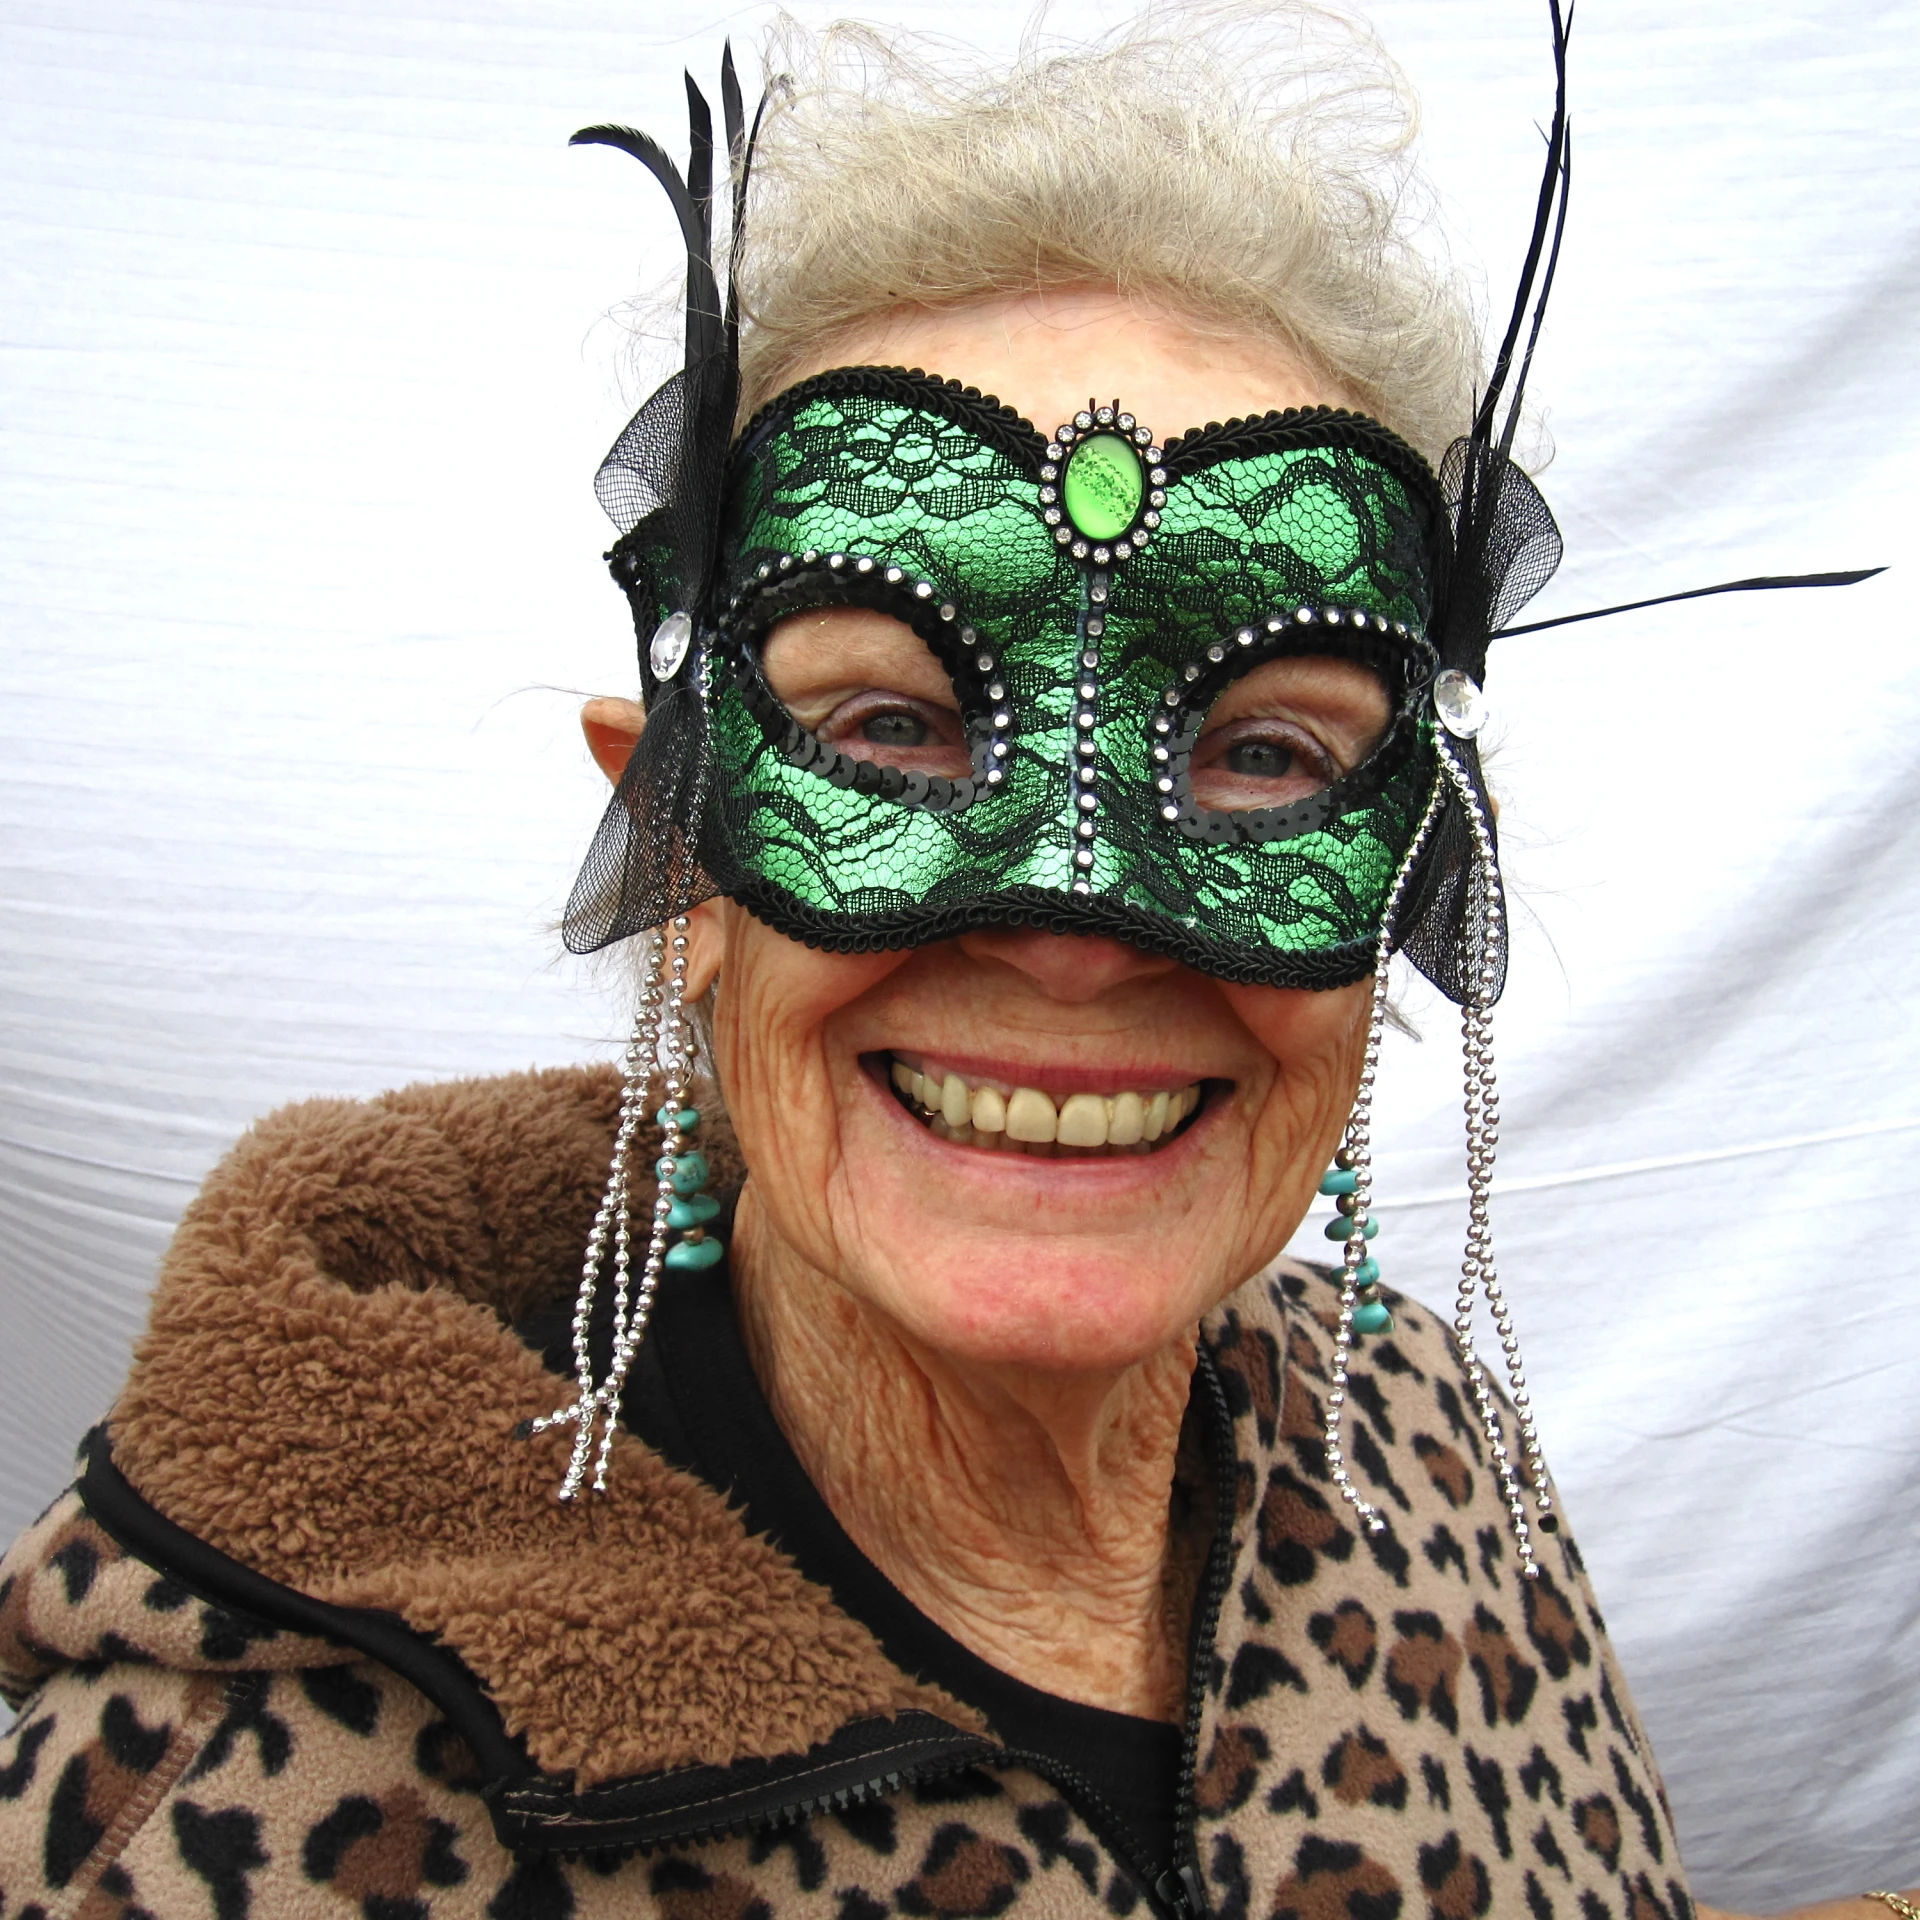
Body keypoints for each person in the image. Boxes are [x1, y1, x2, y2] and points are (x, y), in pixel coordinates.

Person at [0, 8, 1906, 1920]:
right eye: (891, 733)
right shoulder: (198, 1820)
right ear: (679, 855)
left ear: (1412, 862)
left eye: (1261, 754)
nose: (1075, 934)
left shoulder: (1432, 1463)